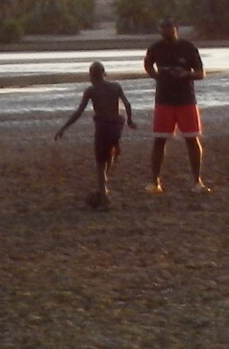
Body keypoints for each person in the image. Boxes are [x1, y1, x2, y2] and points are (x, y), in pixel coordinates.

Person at [142, 19, 209, 193]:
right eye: (162, 28)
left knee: (192, 139)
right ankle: (155, 182)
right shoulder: (155, 48)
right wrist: (156, 75)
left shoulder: (188, 47)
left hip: (186, 100)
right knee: (159, 140)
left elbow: (201, 73)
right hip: (163, 100)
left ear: (176, 29)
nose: (165, 31)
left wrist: (185, 74)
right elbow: (147, 64)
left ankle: (197, 182)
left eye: (169, 28)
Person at [56, 61, 134, 208]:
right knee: (109, 156)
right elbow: (127, 104)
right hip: (116, 125)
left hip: (103, 126)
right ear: (104, 74)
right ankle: (102, 187)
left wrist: (64, 128)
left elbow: (79, 112)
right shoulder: (116, 87)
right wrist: (129, 120)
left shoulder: (91, 90)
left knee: (100, 163)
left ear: (91, 76)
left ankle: (103, 199)